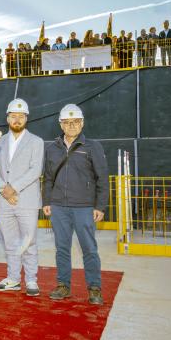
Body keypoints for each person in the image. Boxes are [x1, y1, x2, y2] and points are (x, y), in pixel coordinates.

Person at [42, 104, 109, 305]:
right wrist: (47, 201)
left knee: (89, 249)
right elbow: (48, 178)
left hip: (84, 207)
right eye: (67, 122)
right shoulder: (52, 149)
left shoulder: (93, 147)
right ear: (61, 125)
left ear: (82, 123)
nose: (71, 125)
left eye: (76, 122)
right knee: (62, 248)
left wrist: (100, 206)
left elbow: (102, 179)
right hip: (59, 207)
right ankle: (63, 285)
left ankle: (94, 288)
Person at [0, 99, 44, 295]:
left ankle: (31, 281)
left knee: (28, 242)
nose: (17, 119)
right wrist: (4, 190)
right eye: (13, 116)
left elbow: (35, 170)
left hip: (26, 201)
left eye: (21, 116)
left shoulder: (36, 142)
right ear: (7, 118)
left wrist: (13, 189)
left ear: (26, 118)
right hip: (3, 201)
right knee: (10, 242)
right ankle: (13, 279)